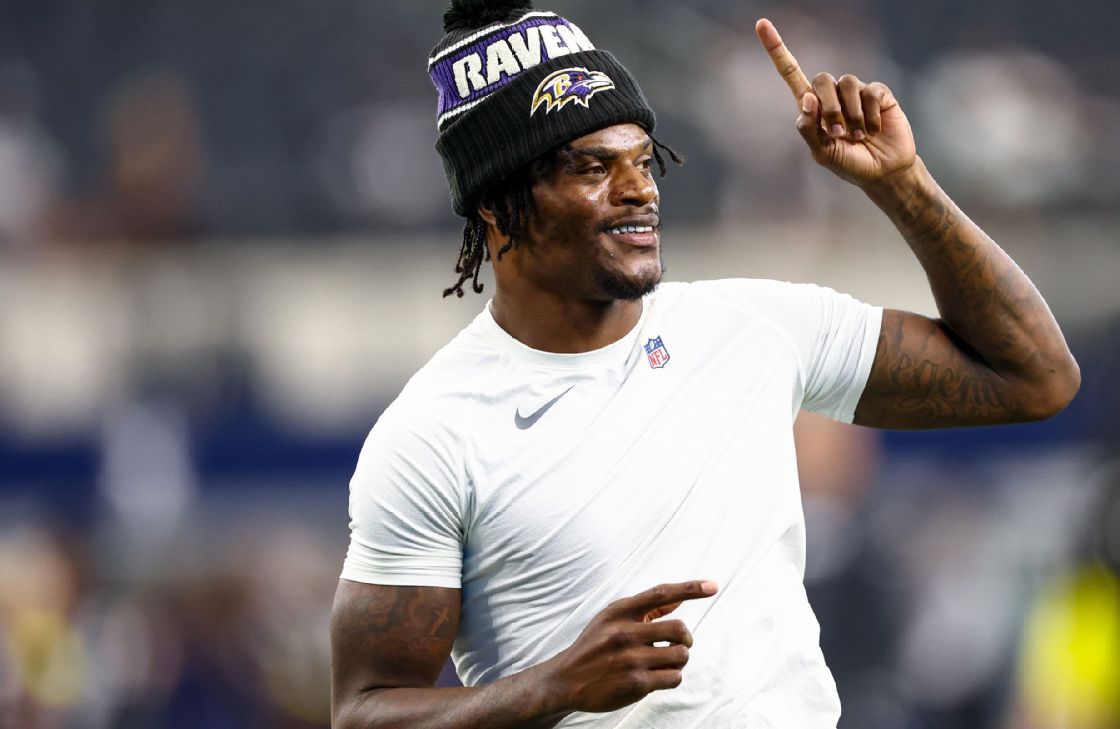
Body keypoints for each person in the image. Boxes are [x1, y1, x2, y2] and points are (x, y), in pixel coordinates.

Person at [329, 2, 1081, 727]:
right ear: (497, 203)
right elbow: (364, 711)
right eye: (592, 167)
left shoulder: (755, 328)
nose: (639, 190)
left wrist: (900, 183)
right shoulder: (434, 433)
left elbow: (1035, 377)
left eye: (642, 160)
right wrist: (553, 686)